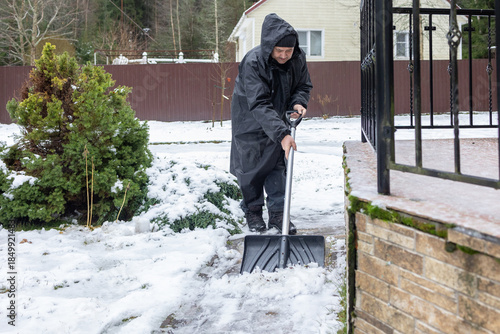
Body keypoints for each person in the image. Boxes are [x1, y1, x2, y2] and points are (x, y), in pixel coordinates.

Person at [230, 13, 313, 234]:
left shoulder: (297, 58)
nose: (285, 55)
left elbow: (303, 86)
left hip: (279, 120)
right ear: (270, 47)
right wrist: (282, 134)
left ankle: (278, 215)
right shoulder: (254, 61)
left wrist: (298, 103)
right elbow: (258, 103)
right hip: (250, 120)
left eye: (289, 51)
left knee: (278, 167)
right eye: (280, 51)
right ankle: (253, 211)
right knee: (251, 169)